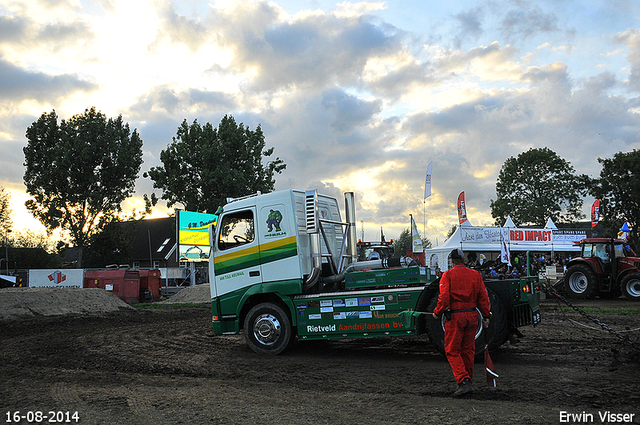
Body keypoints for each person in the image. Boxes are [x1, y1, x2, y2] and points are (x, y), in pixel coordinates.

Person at [433, 248, 492, 397]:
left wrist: (437, 312)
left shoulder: (448, 275)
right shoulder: (475, 275)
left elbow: (444, 297)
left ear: (452, 261)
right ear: (463, 259)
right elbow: (483, 297)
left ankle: (463, 380)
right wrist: (486, 316)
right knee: (468, 350)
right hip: (472, 316)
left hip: (456, 317)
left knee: (452, 350)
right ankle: (468, 381)